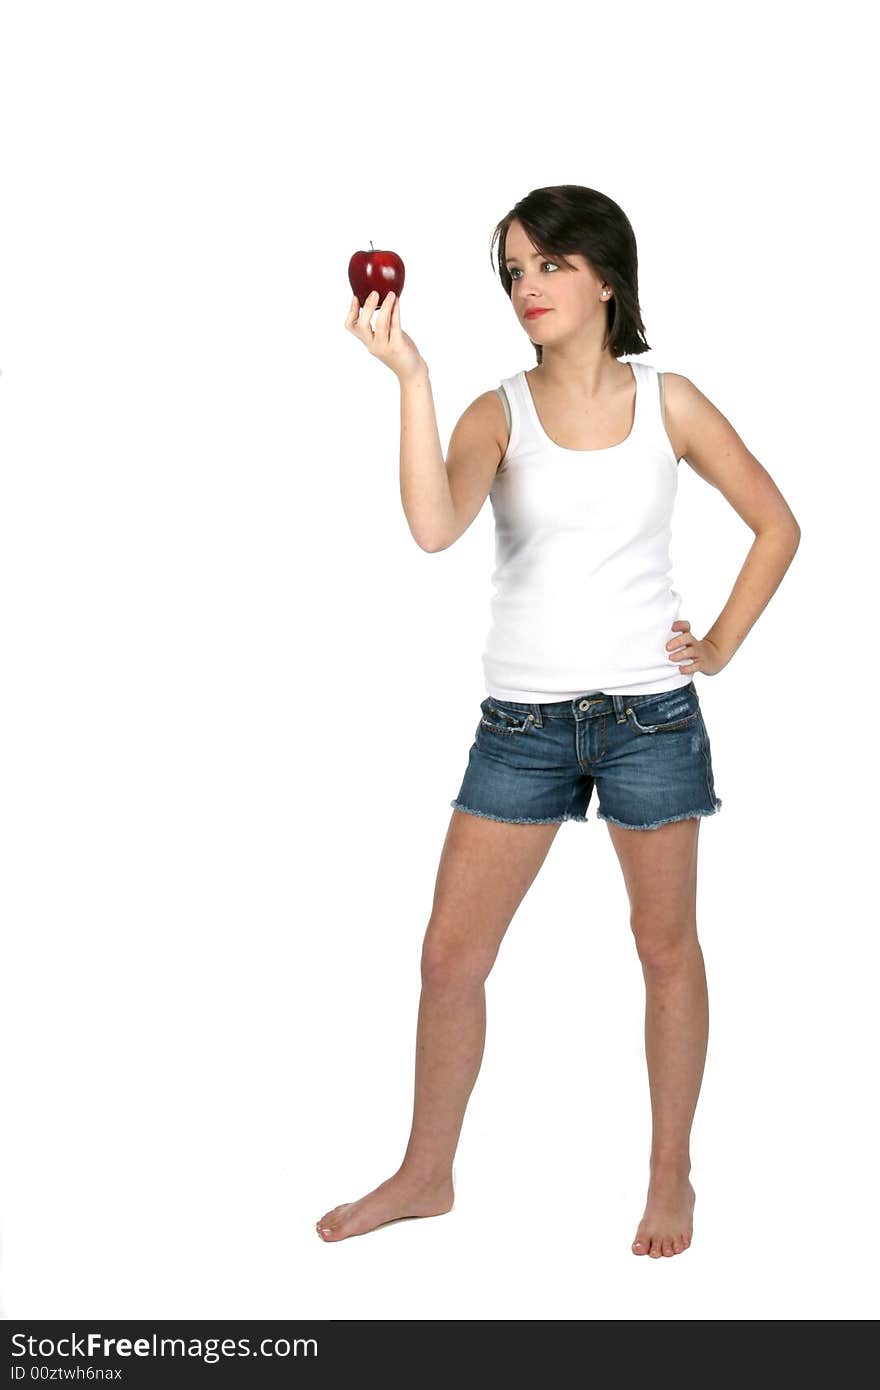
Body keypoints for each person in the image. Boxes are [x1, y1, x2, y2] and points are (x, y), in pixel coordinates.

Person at [317, 185, 800, 1257]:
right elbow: (434, 527)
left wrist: (716, 645)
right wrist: (411, 378)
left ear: (605, 277)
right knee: (450, 957)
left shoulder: (671, 402)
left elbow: (776, 524)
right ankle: (425, 1173)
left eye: (546, 266)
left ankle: (670, 1172)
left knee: (663, 948)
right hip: (521, 731)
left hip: (649, 722)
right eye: (513, 271)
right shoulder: (498, 411)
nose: (526, 288)